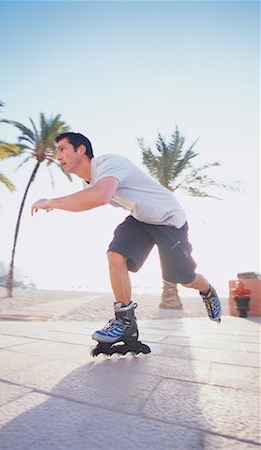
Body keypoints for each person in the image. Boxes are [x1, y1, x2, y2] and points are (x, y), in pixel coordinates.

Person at [31, 132, 222, 347]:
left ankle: (207, 290)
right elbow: (86, 201)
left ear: (81, 149)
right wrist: (56, 204)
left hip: (169, 219)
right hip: (141, 219)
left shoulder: (109, 163)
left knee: (183, 278)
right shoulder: (88, 184)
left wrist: (52, 202)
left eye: (62, 149)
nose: (58, 156)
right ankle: (125, 323)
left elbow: (101, 196)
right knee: (115, 255)